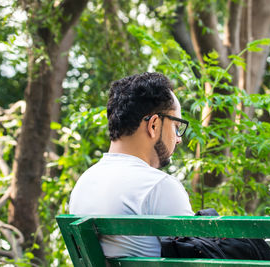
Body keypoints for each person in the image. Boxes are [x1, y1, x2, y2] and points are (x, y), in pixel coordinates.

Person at [69, 72, 194, 258]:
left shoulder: (83, 184)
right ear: (153, 125)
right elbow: (200, 258)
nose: (178, 140)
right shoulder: (158, 187)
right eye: (176, 127)